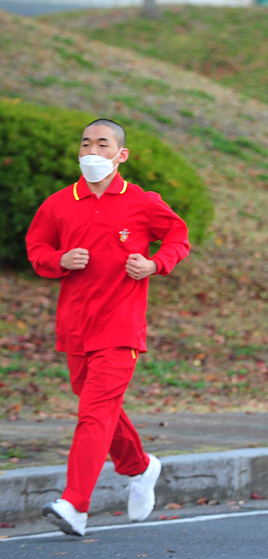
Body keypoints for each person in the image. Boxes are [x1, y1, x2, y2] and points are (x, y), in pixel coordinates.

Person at [26, 119, 190, 537]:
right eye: (86, 144)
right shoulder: (59, 203)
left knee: (93, 413)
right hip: (76, 326)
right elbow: (37, 248)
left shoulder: (142, 202)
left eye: (103, 144)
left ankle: (75, 504)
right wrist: (58, 260)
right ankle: (138, 466)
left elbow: (177, 236)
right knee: (101, 409)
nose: (92, 152)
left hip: (121, 326)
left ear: (121, 155)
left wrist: (155, 263)